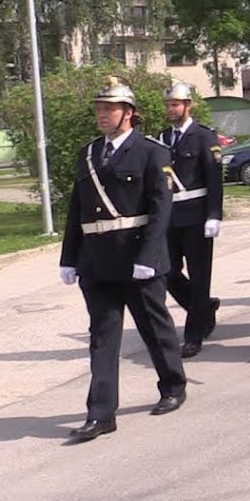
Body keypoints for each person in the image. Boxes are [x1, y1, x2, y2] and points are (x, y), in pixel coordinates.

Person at [59, 76, 186, 442]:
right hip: (97, 262)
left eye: (109, 108)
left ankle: (173, 385)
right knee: (102, 337)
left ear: (128, 113)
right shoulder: (88, 153)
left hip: (137, 257)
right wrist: (69, 257)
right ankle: (101, 414)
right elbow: (76, 210)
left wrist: (148, 256)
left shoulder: (152, 152)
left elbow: (161, 209)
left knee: (153, 327)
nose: (101, 114)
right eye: (99, 108)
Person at [157, 82, 224, 359]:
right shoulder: (162, 137)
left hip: (197, 215)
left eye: (176, 104)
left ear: (188, 105)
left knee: (199, 277)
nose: (171, 109)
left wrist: (214, 214)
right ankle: (204, 308)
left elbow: (214, 178)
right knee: (168, 272)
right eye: (168, 105)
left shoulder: (204, 137)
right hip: (170, 218)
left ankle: (193, 335)